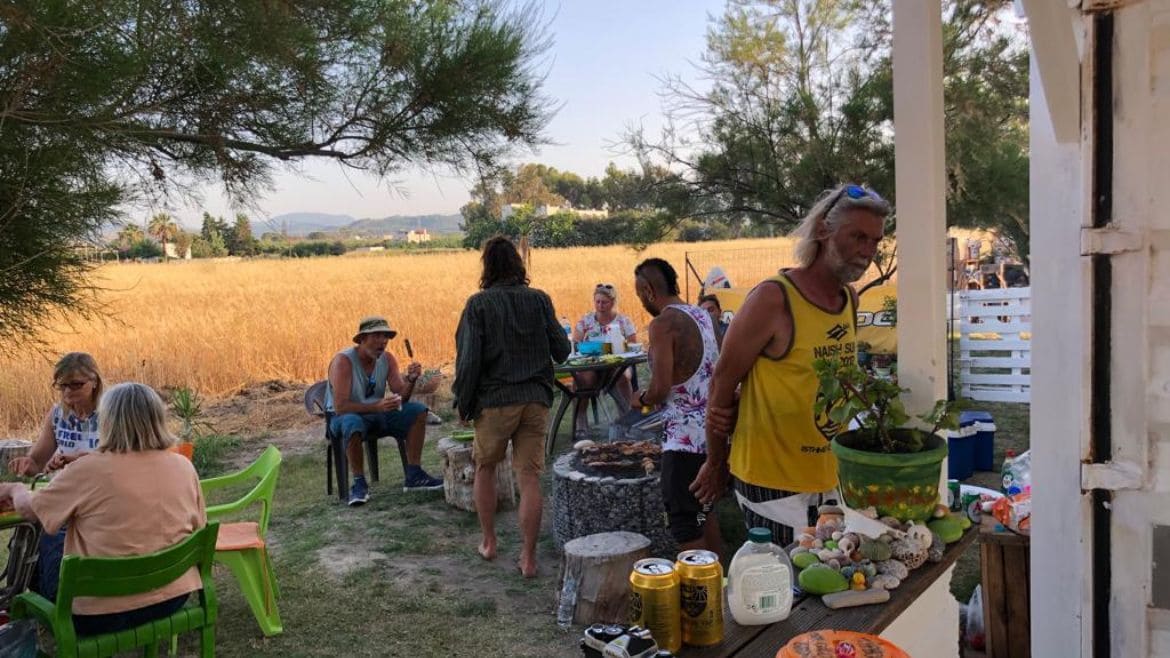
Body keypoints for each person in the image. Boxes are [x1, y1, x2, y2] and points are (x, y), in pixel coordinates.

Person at [691, 184, 890, 545]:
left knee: (829, 580)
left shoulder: (849, 300)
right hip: (773, 484)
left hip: (828, 476)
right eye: (858, 236)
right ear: (823, 231)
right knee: (786, 592)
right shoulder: (773, 298)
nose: (868, 252)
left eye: (875, 241)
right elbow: (721, 384)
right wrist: (716, 463)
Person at [0, 382, 205, 637]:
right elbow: (199, 527)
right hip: (172, 598)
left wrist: (14, 490)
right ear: (157, 419)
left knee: (42, 535)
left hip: (97, 615)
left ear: (107, 421)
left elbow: (32, 510)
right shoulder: (183, 467)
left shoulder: (88, 471)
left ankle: (11, 610)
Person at [453, 236, 571, 577]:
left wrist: (463, 400)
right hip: (535, 399)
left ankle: (489, 542)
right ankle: (529, 558)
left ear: (486, 266)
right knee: (530, 477)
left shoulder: (478, 305)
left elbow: (469, 361)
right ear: (519, 265)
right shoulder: (539, 300)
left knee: (485, 469)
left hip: (495, 402)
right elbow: (562, 350)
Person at [631, 258, 723, 556]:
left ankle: (700, 591)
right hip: (712, 436)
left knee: (684, 522)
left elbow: (660, 389)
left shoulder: (663, 324)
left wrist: (641, 398)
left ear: (648, 291)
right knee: (703, 512)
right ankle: (718, 580)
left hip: (683, 443)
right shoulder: (702, 315)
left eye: (639, 294)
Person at [7, 352, 104, 603]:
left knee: (42, 533)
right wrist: (28, 463)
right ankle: (18, 597)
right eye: (63, 386)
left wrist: (80, 460)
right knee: (27, 533)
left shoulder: (109, 413)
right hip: (64, 493)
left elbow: (118, 460)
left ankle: (53, 598)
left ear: (94, 381)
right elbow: (38, 461)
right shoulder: (58, 415)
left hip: (98, 495)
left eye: (76, 384)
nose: (69, 392)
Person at [326, 316, 443, 507]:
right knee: (351, 422)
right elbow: (340, 407)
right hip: (342, 417)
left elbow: (401, 395)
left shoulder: (387, 359)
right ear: (362, 339)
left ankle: (414, 475)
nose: (383, 341)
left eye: (386, 336)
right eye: (377, 336)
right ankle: (359, 484)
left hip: (376, 414)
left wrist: (411, 380)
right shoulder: (344, 362)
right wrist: (376, 406)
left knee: (418, 411)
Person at [570, 283, 638, 438]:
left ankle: (626, 417)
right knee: (583, 378)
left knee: (621, 375)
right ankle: (581, 421)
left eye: (604, 302)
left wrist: (619, 346)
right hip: (593, 364)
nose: (600, 306)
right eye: (597, 302)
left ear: (613, 303)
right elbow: (575, 344)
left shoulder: (623, 321)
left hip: (617, 363)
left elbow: (634, 345)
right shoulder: (586, 321)